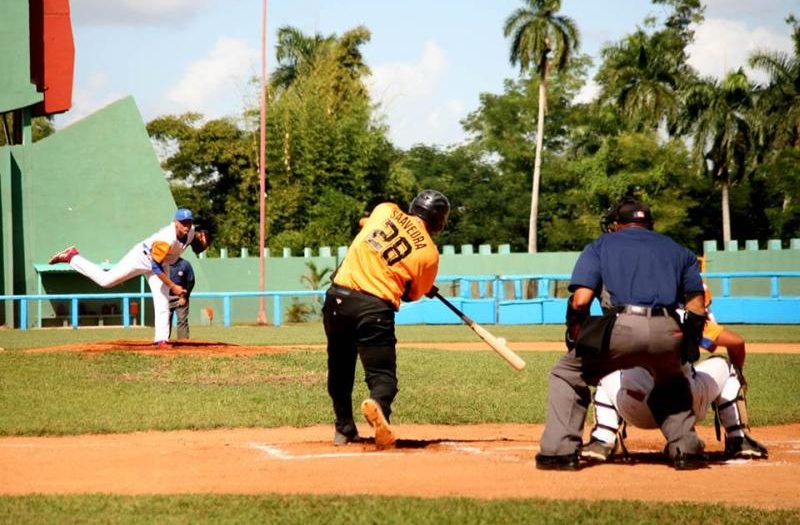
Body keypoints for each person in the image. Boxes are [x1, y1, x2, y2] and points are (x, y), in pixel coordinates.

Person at [536, 196, 709, 471]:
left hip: (623, 325)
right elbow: (697, 306)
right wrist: (687, 342)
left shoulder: (600, 245)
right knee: (671, 381)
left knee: (566, 374)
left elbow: (581, 300)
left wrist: (575, 330)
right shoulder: (679, 250)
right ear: (648, 224)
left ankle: (559, 452)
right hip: (668, 329)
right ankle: (686, 450)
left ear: (617, 224)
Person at [582, 268, 768, 462]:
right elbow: (737, 343)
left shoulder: (627, 310)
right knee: (726, 366)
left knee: (607, 374)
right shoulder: (686, 315)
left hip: (634, 407)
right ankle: (739, 439)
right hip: (685, 407)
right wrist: (740, 377)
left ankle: (603, 439)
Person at [323, 189, 449, 449]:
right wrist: (419, 283)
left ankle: (343, 428)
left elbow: (370, 235)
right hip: (374, 308)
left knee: (340, 367)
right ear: (438, 222)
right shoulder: (429, 255)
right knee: (382, 376)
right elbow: (412, 295)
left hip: (337, 298)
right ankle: (378, 407)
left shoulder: (385, 209)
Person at [48, 208, 207, 347]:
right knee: (106, 281)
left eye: (189, 222)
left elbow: (195, 239)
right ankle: (72, 257)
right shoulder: (167, 238)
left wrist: (201, 240)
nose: (186, 225)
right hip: (143, 258)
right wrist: (172, 285)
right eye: (183, 222)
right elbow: (155, 266)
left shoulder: (191, 231)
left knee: (162, 300)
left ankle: (161, 340)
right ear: (175, 222)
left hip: (160, 261)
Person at [168, 257, 195, 340]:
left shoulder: (185, 264)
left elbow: (191, 281)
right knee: (165, 320)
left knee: (182, 320)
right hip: (166, 297)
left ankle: (183, 342)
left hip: (181, 296)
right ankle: (163, 340)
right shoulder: (164, 264)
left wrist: (185, 297)